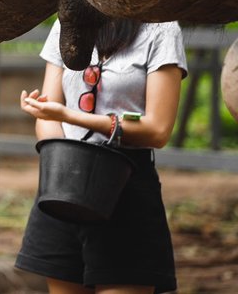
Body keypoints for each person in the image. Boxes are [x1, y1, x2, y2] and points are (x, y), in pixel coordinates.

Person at [16, 18, 187, 293]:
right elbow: (47, 113)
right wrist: (62, 162)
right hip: (62, 185)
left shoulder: (161, 28)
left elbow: (158, 130)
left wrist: (72, 117)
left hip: (125, 186)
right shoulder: (68, 22)